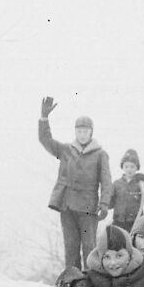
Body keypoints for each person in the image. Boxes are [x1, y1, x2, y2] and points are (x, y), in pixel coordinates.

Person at [38, 96, 112, 270]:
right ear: (75, 132)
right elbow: (45, 141)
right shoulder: (66, 150)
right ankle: (72, 283)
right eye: (79, 131)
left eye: (85, 131)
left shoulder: (100, 154)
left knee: (89, 247)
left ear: (91, 132)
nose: (82, 134)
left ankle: (91, 282)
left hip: (89, 208)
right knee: (70, 247)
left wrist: (105, 204)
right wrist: (44, 119)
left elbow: (106, 182)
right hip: (67, 206)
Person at [110, 149, 144, 232]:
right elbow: (110, 203)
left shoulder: (141, 183)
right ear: (122, 167)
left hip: (135, 222)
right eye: (126, 166)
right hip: (119, 222)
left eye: (132, 166)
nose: (129, 169)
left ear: (136, 168)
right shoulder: (116, 184)